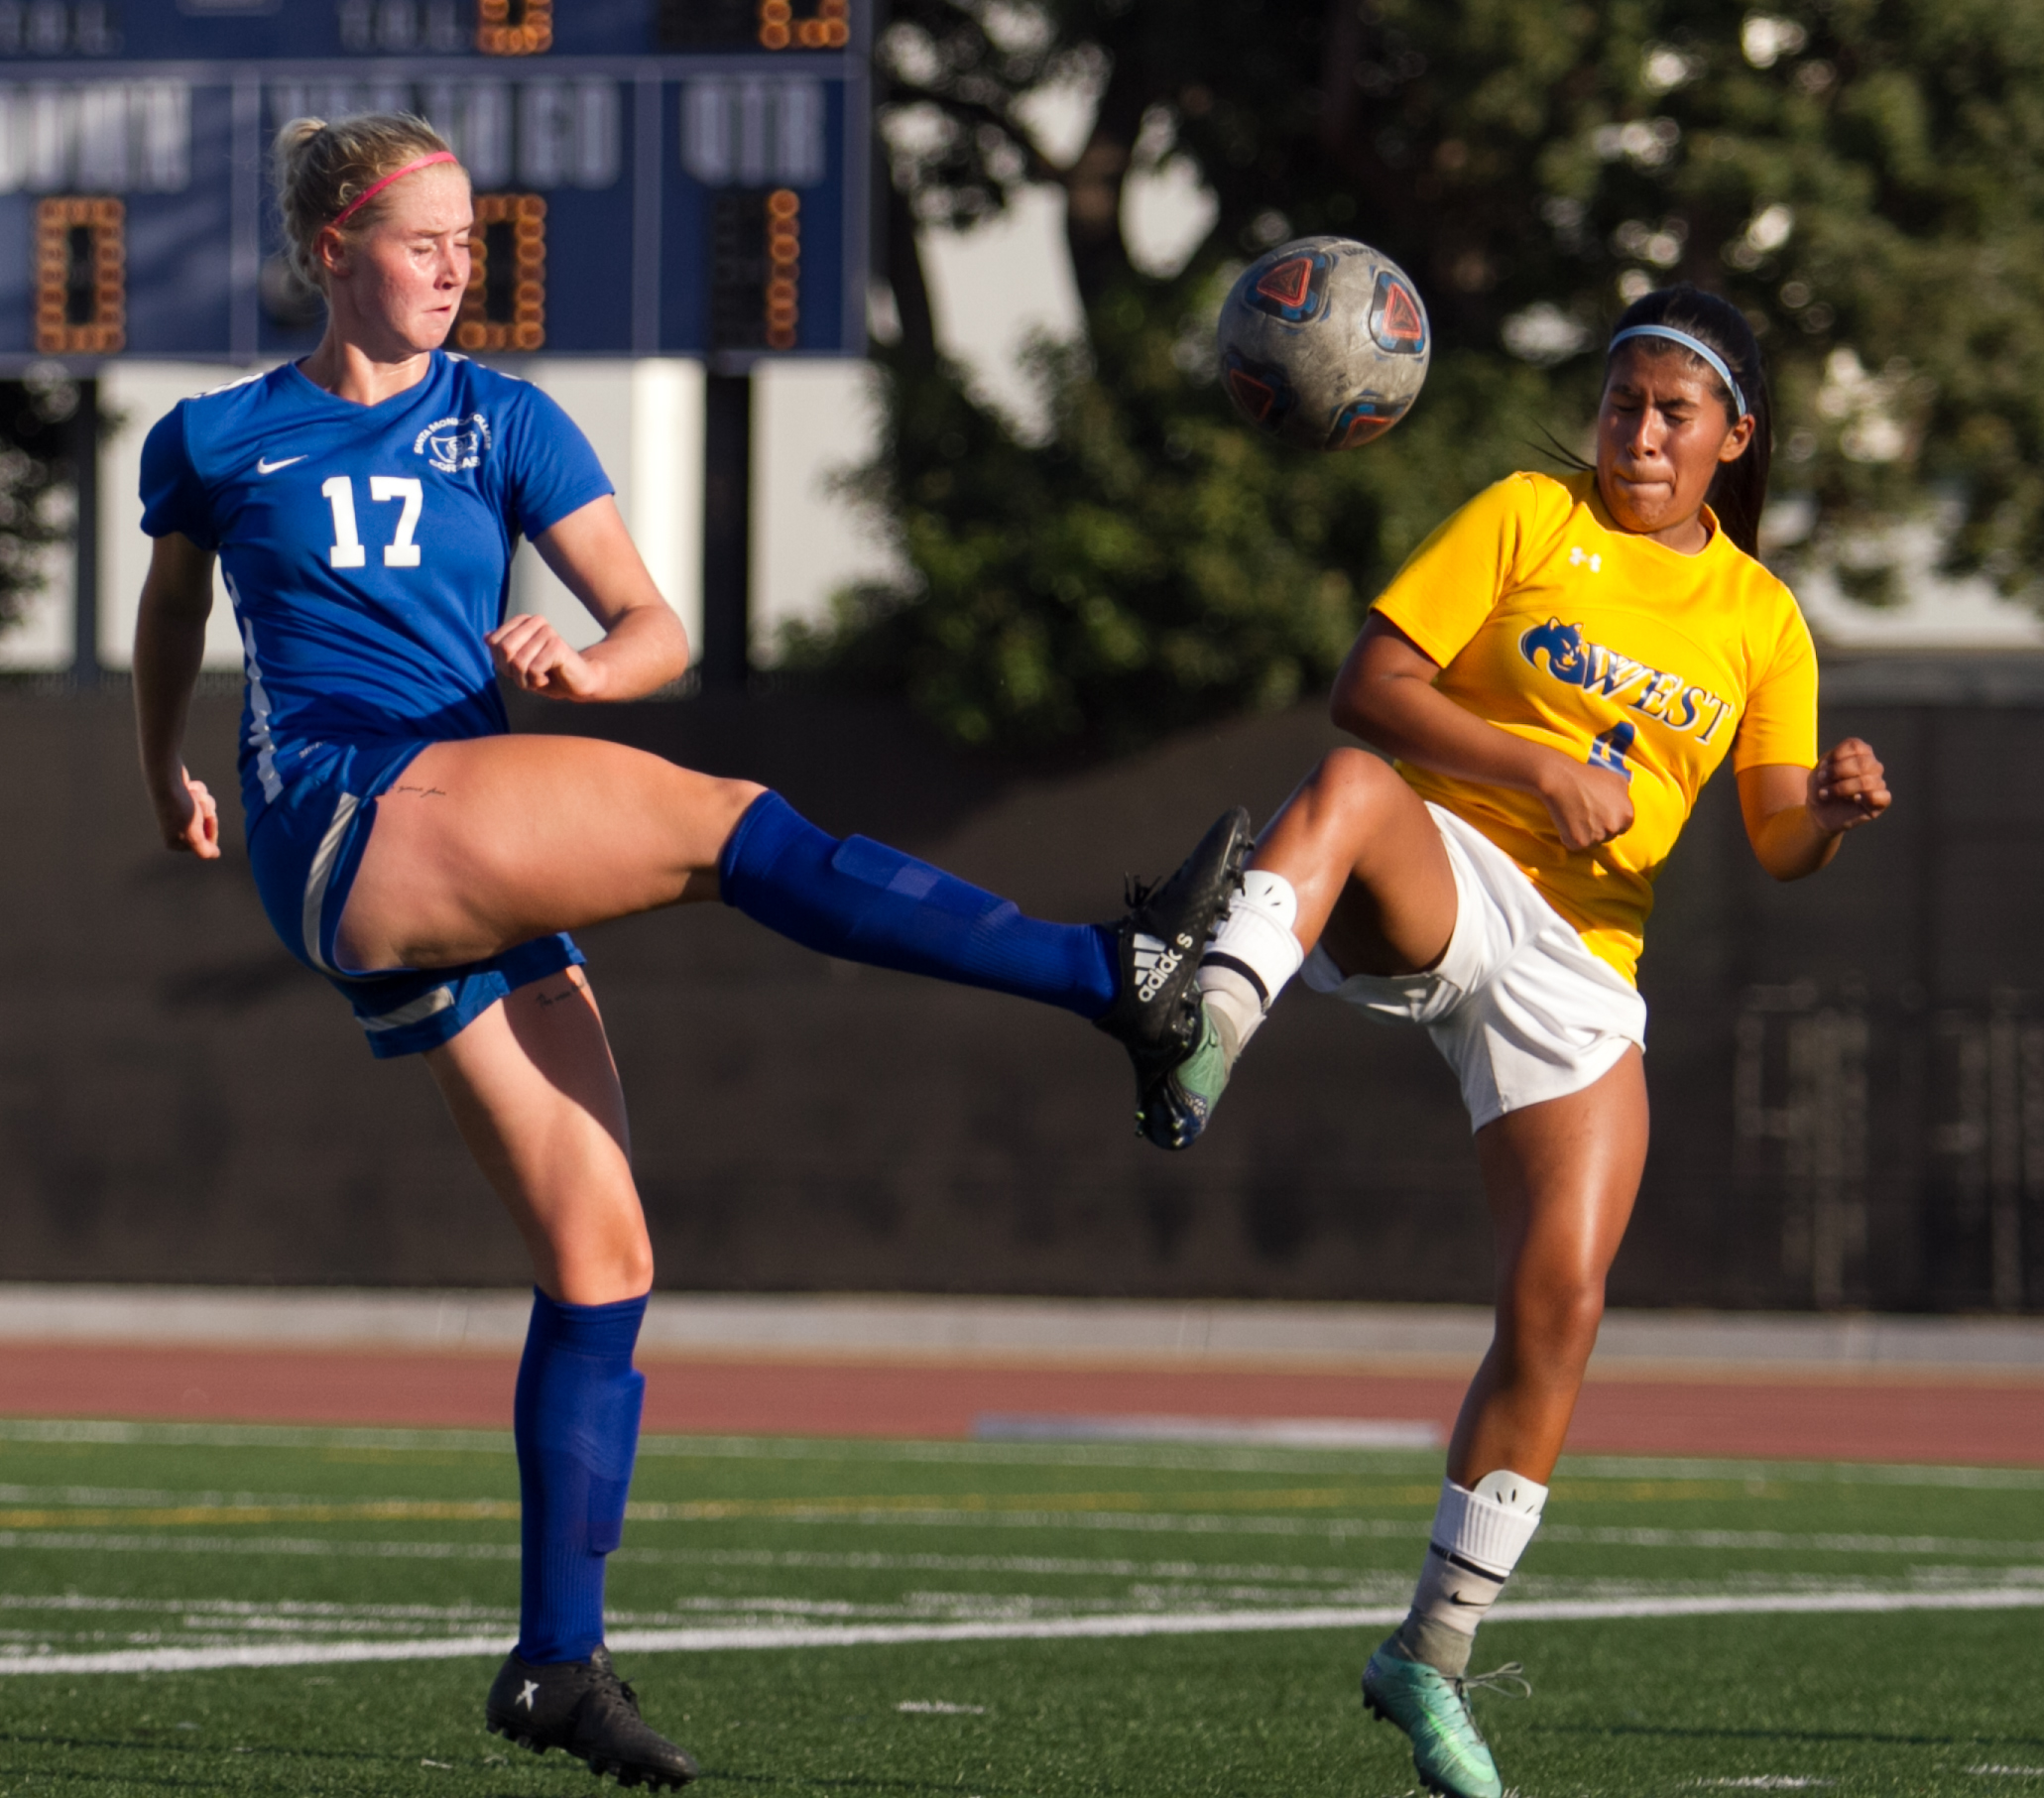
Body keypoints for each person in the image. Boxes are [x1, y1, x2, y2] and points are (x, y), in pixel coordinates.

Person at [131, 113, 1249, 1790]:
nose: (459, 262)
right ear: (325, 249)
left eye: (469, 236)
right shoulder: (220, 436)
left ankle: (554, 1666)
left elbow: (653, 624)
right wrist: (162, 761)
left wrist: (590, 667)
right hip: (351, 816)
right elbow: (170, 605)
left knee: (602, 1261)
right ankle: (1117, 980)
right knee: (732, 823)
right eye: (422, 236)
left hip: (456, 826)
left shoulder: (498, 416)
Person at [1132, 287, 1890, 1798]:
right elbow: (1372, 686)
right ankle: (1199, 1012)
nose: (1640, 432)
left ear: (1732, 439)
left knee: (1563, 1296)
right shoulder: (1528, 513)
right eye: (1623, 403)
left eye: (1675, 412)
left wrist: (1833, 812)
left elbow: (1773, 832)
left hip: (1583, 967)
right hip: (1450, 862)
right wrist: (1534, 764)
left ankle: (1430, 1651)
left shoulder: (1758, 615)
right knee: (1346, 782)